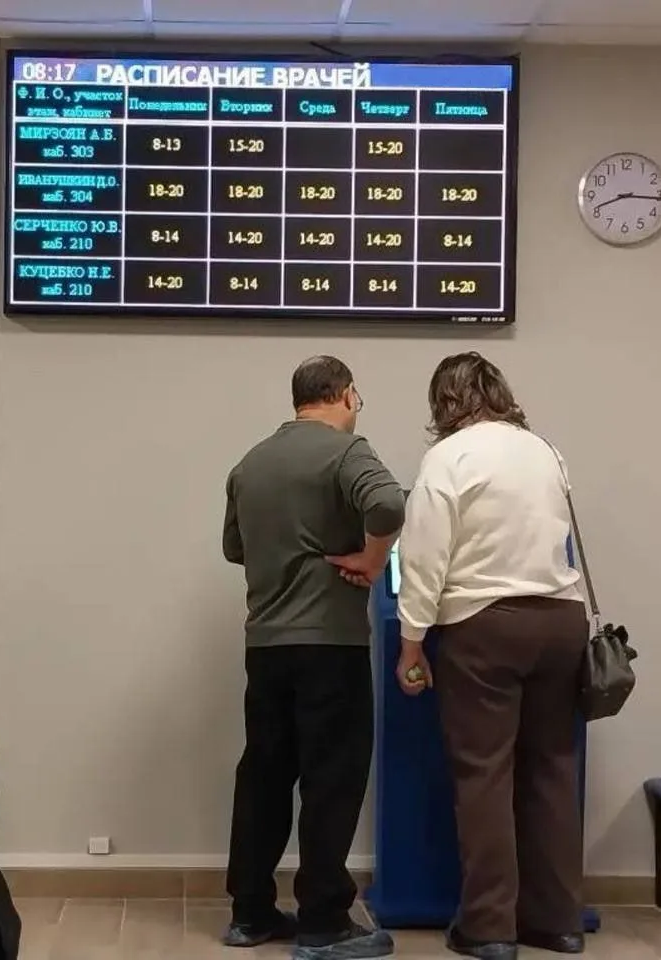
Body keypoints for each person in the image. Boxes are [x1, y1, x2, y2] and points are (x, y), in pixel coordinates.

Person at [391, 353, 587, 960]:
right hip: (562, 620)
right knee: (553, 771)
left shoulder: (449, 457)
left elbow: (425, 555)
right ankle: (558, 922)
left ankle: (489, 926)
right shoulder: (545, 451)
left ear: (444, 401)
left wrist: (411, 641)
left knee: (485, 775)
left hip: (485, 626)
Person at [223, 355, 405, 960]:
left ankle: (249, 914)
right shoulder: (346, 452)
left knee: (264, 778)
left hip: (266, 648)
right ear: (347, 395)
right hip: (331, 643)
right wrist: (373, 560)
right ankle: (324, 922)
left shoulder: (250, 463)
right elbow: (389, 504)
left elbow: (234, 547)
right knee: (332, 780)